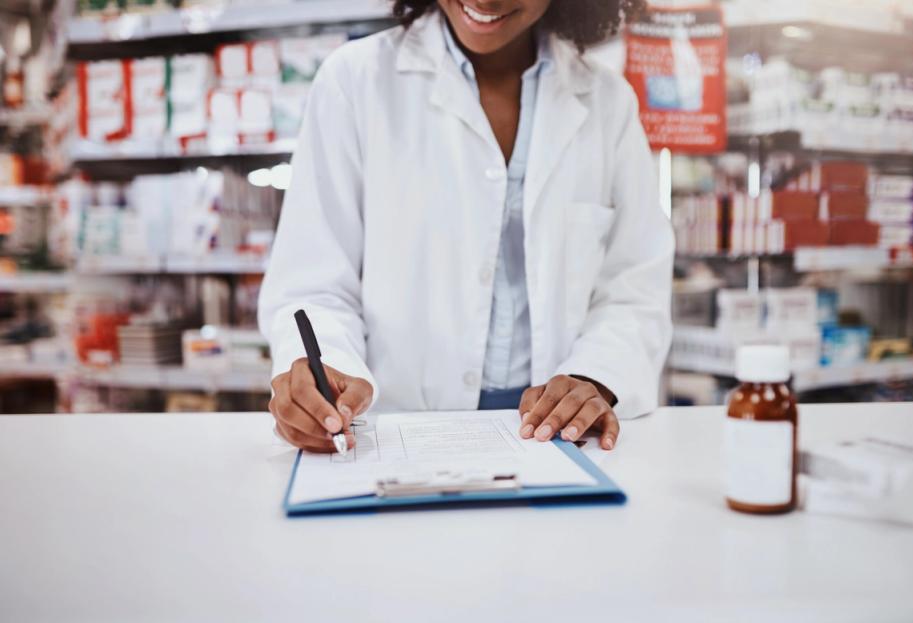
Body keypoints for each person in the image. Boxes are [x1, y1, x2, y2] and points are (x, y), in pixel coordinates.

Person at [258, 0, 674, 455]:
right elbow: (314, 283)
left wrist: (593, 377)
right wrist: (328, 375)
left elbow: (635, 288)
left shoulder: (607, 102)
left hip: (556, 440)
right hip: (395, 436)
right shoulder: (355, 82)